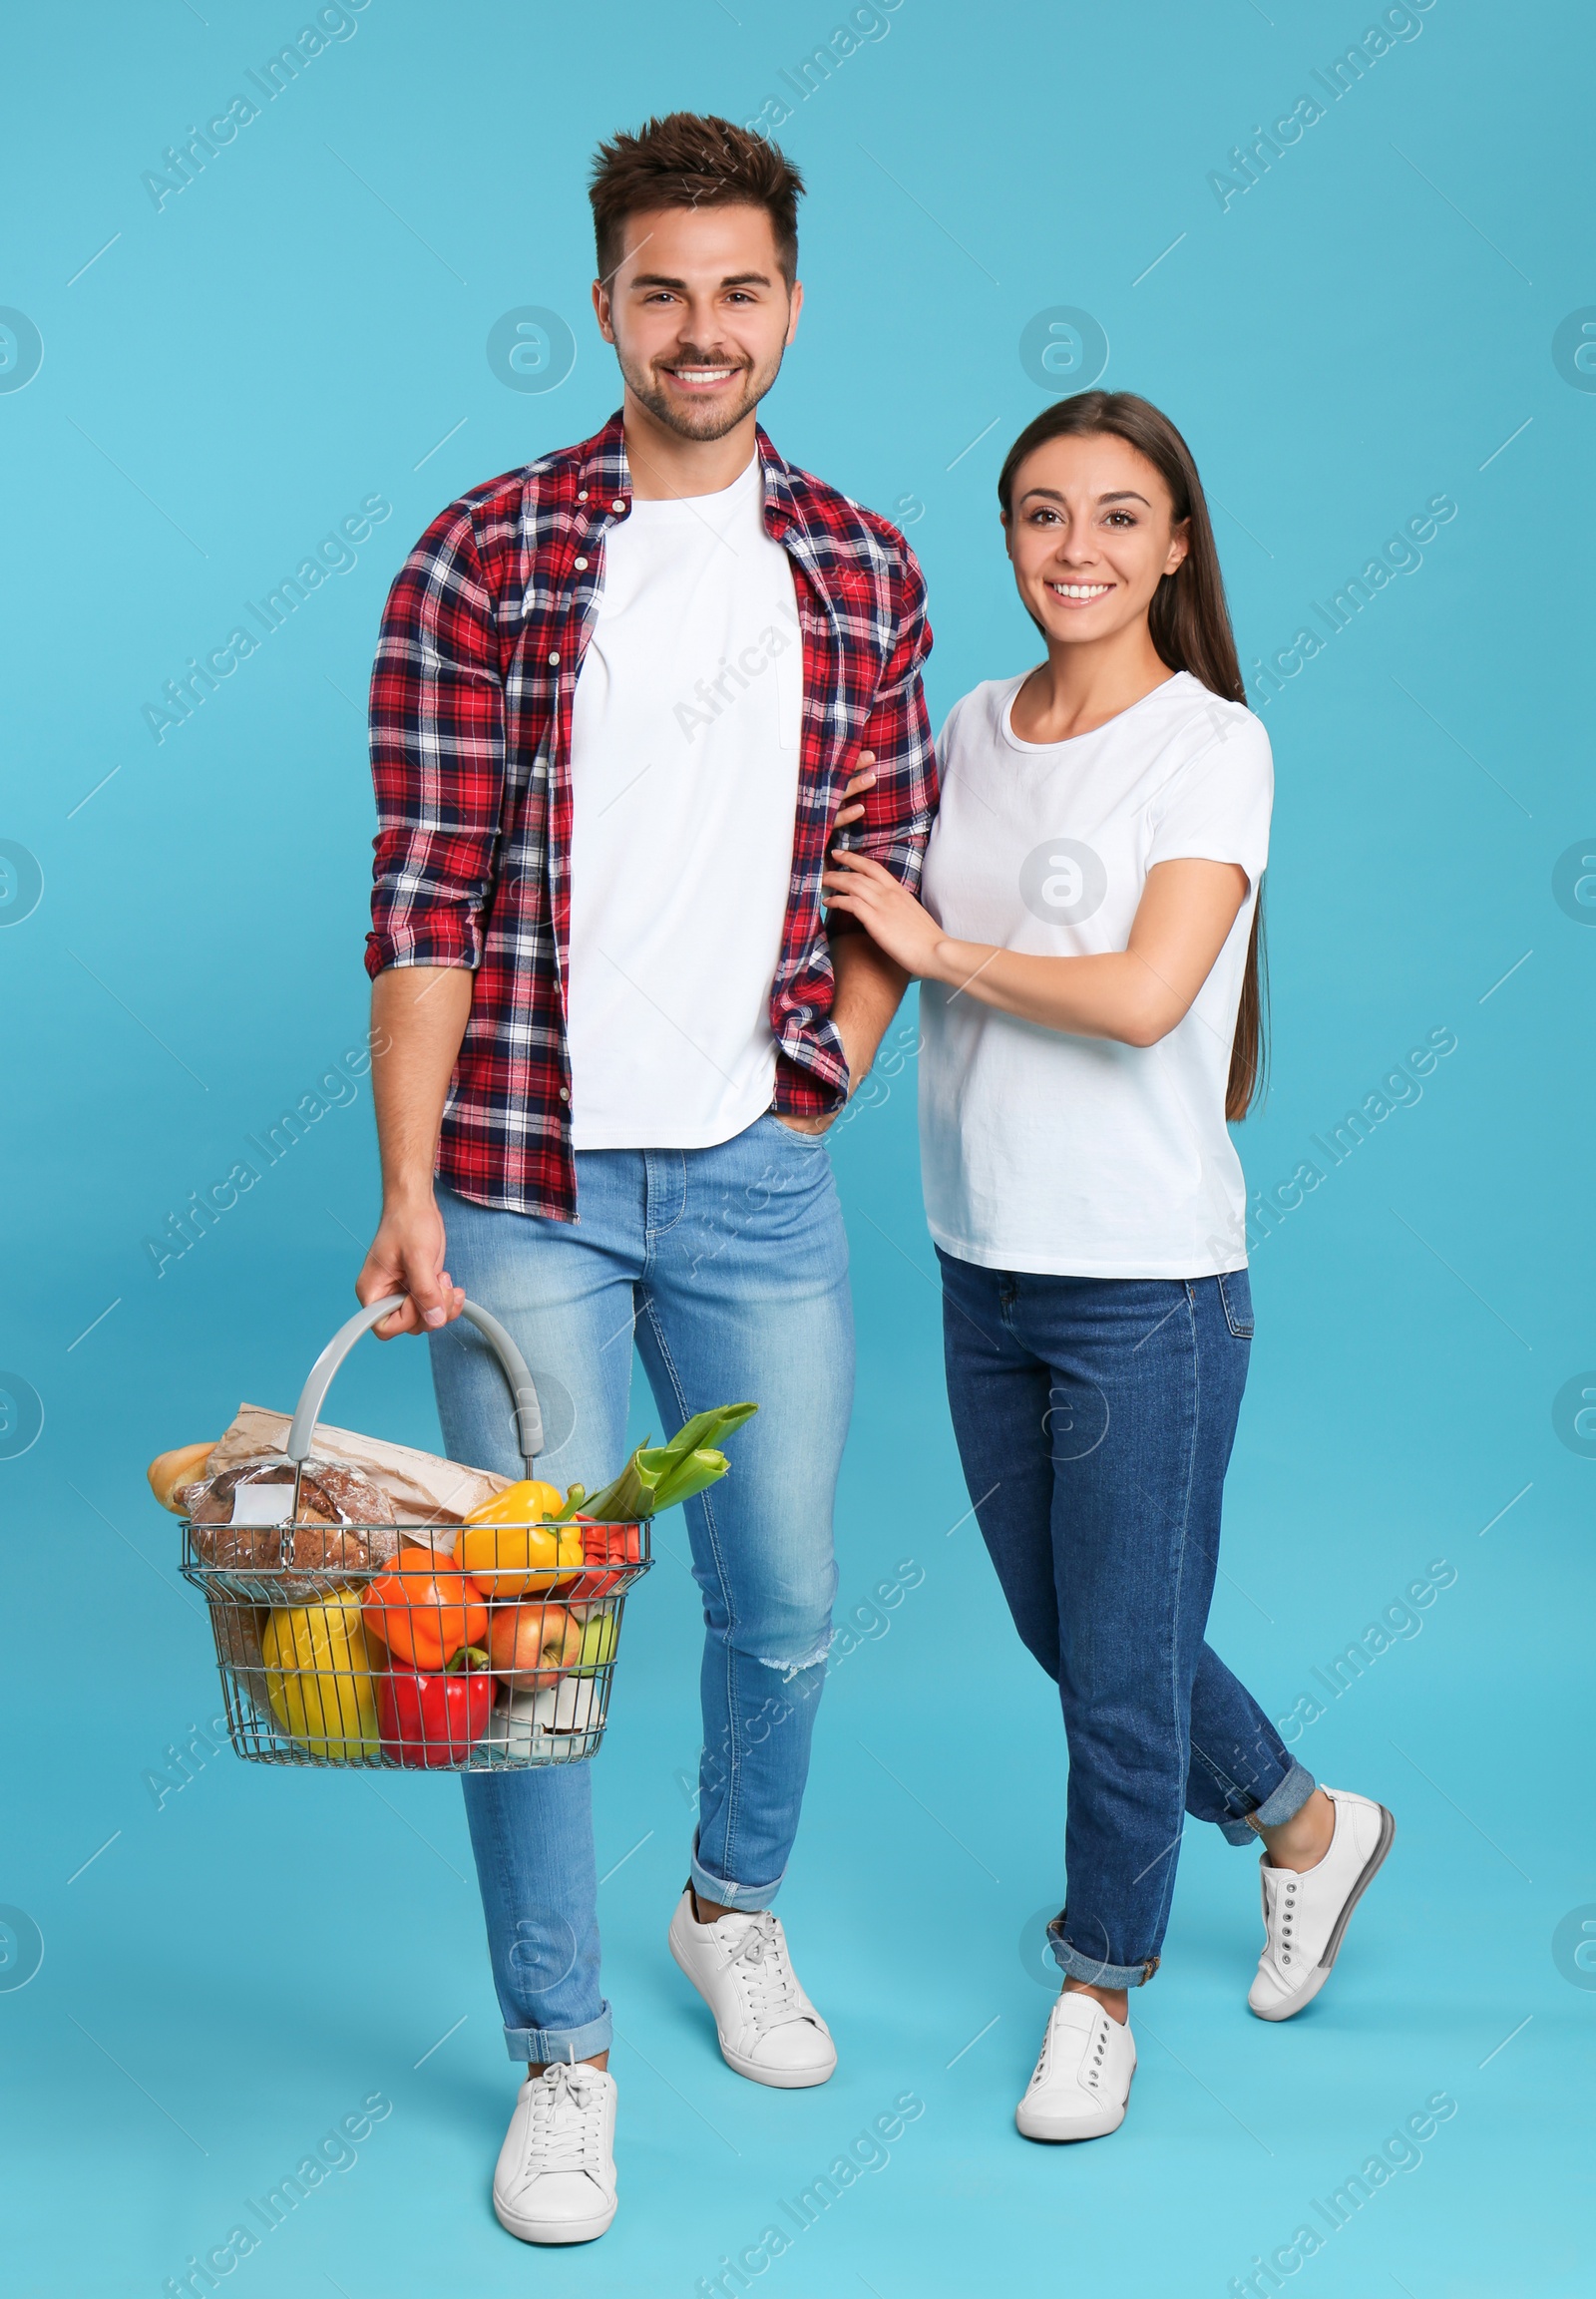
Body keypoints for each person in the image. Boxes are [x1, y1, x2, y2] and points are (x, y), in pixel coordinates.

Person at [355, 113, 934, 2240]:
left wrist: (828, 1081)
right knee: (528, 1632)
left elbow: (891, 862)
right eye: (663, 291)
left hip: (754, 1178)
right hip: (519, 1180)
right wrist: (412, 1187)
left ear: (792, 304)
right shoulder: (484, 554)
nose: (704, 330)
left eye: (741, 290)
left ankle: (727, 1907)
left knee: (776, 1606)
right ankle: (560, 2049)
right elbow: (421, 891)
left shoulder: (862, 564)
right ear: (601, 304)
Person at [823, 390, 1394, 2143]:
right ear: (1007, 537)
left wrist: (940, 946)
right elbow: (859, 970)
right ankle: (1304, 1820)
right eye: (1044, 513)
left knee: (1121, 1660)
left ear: (1177, 542)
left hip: (1144, 1280)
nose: (1079, 549)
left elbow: (1148, 994)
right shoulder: (966, 728)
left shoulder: (1213, 743)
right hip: (975, 1257)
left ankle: (1100, 1984)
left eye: (1120, 516)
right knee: (1078, 1631)